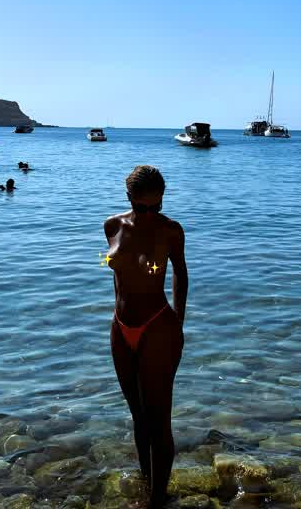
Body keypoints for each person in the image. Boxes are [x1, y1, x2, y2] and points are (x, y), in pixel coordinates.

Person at [104, 165, 188, 507]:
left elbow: (180, 273)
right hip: (121, 327)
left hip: (158, 327)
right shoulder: (112, 226)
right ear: (129, 198)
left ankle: (157, 501)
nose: (151, 213)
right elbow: (116, 275)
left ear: (163, 199)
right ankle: (147, 487)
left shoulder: (171, 231)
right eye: (142, 207)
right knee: (138, 417)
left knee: (158, 423)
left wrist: (178, 323)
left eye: (157, 206)